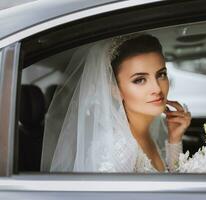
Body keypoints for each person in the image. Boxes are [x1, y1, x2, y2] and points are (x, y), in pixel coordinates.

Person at [41, 33, 191, 173]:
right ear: (115, 89)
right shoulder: (118, 148)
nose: (157, 88)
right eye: (139, 80)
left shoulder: (146, 129)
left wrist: (174, 138)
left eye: (161, 74)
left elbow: (168, 180)